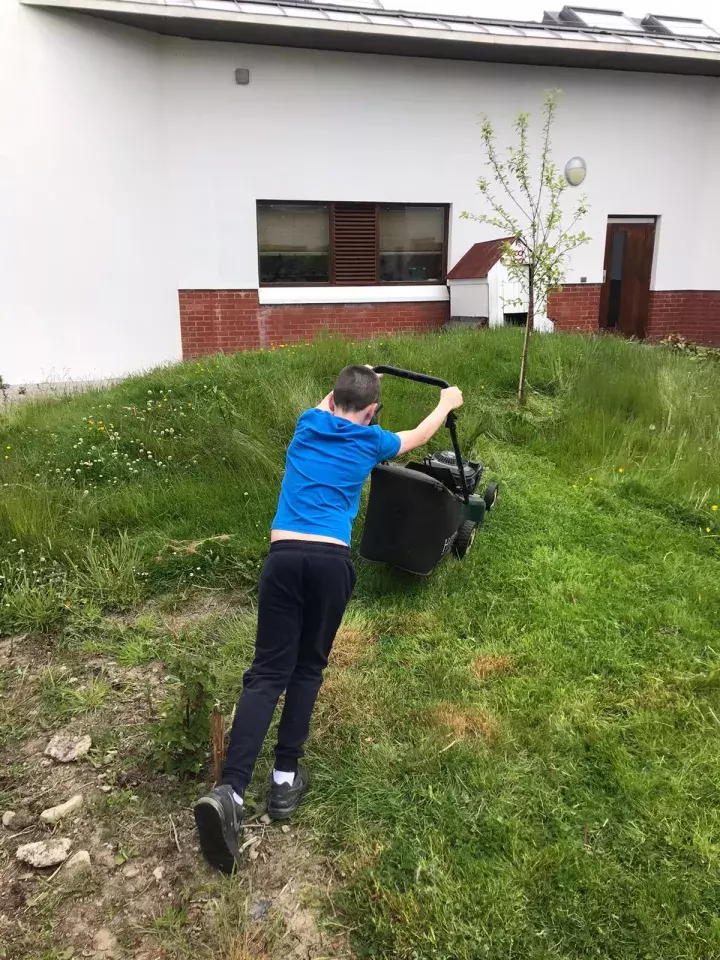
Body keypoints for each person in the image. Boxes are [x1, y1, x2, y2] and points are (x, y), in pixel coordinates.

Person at [193, 364, 463, 873]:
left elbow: (328, 402)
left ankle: (229, 792)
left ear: (332, 399)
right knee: (307, 670)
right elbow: (420, 435)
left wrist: (359, 380)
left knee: (266, 673)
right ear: (372, 412)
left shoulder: (305, 423)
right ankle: (283, 782)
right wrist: (447, 402)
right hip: (329, 563)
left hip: (283, 558)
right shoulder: (373, 442)